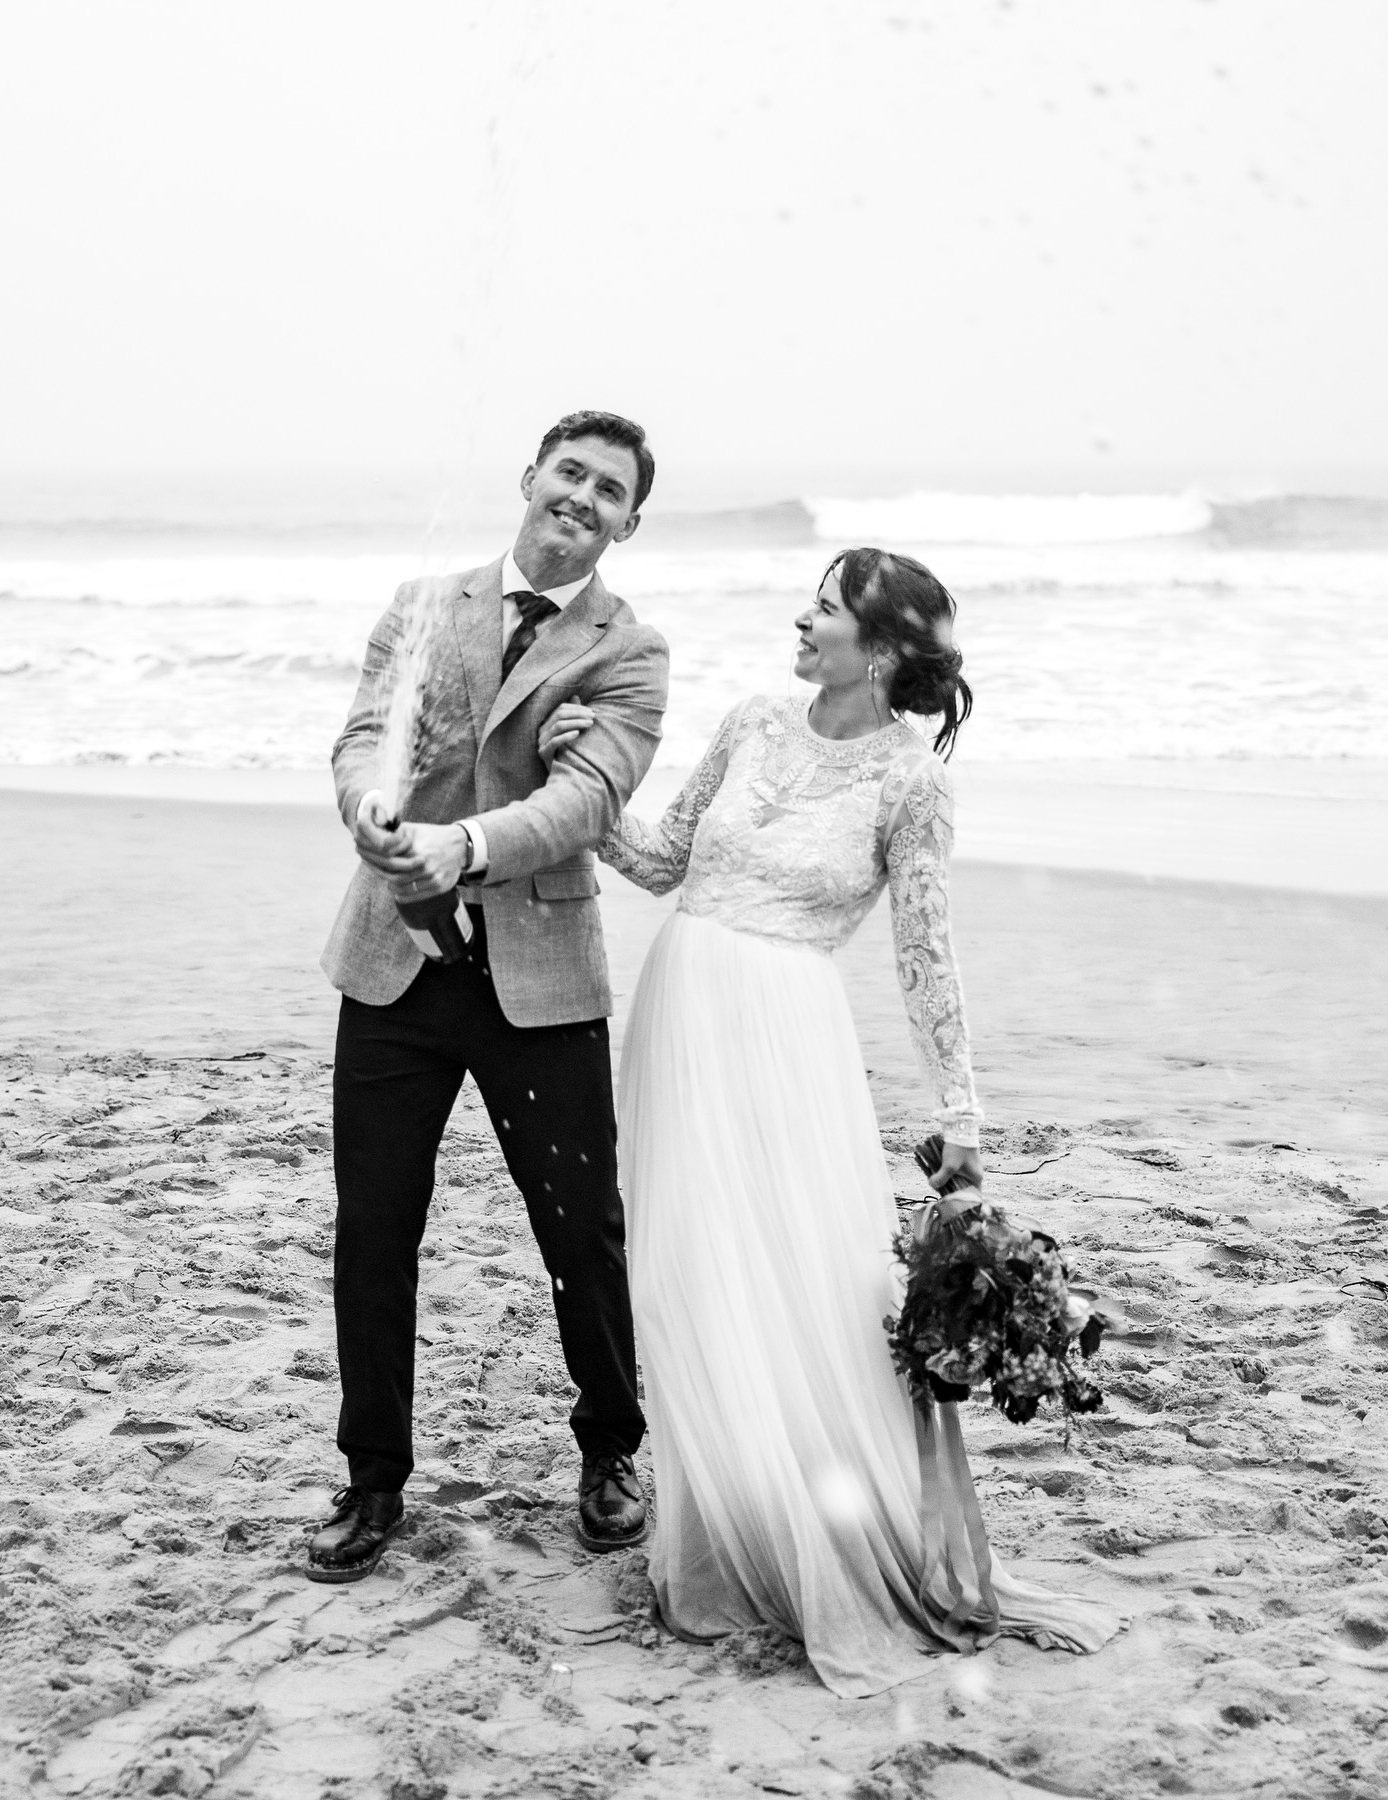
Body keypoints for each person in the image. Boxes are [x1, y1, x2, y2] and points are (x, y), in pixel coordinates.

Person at [539, 547, 1122, 1695]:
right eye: (810, 602)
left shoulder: (912, 784)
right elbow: (661, 863)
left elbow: (924, 951)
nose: (802, 621)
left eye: (827, 609)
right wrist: (589, 798)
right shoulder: (755, 721)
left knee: (803, 1281)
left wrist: (961, 1109)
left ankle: (829, 1540)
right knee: (687, 1275)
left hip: (787, 1033)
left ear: (889, 647)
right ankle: (726, 1523)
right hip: (682, 1013)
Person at [308, 411, 669, 1582]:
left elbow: (584, 804)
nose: (582, 496)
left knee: (583, 1231)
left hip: (541, 979)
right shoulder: (423, 603)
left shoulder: (632, 651)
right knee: (374, 1235)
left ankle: (611, 1447)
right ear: (530, 478)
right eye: (570, 472)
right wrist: (368, 809)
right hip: (394, 965)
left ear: (626, 521)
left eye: (608, 490)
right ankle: (372, 1480)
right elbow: (367, 738)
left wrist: (458, 846)